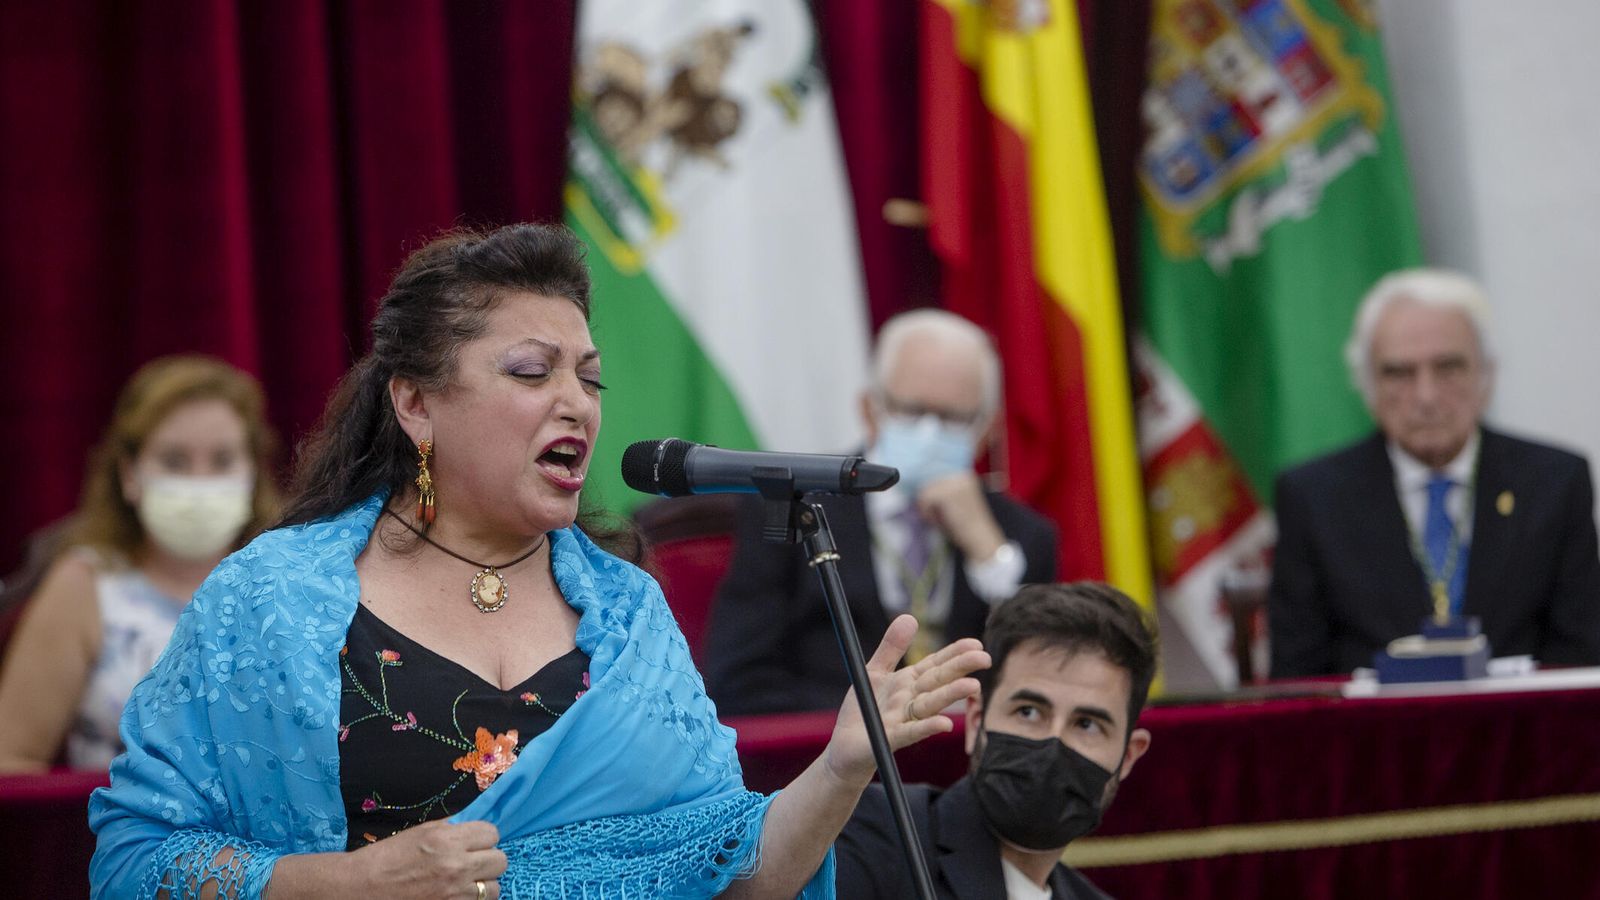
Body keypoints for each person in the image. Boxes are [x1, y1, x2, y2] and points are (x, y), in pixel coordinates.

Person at [88, 223, 990, 900]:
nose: (578, 404)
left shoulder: (628, 615)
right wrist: (348, 884)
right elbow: (138, 860)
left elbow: (729, 878)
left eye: (589, 379)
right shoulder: (270, 598)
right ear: (415, 403)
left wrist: (838, 768)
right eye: (531, 372)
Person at [704, 309, 1058, 715]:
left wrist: (990, 557)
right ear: (870, 410)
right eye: (911, 411)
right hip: (831, 743)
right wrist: (871, 724)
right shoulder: (792, 503)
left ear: (987, 429)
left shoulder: (1023, 535)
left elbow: (1044, 684)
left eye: (954, 418)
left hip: (963, 747)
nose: (929, 433)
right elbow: (738, 680)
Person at [1269, 269, 1600, 678]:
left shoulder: (1555, 484)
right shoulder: (1313, 498)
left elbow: (1579, 660)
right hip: (1374, 719)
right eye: (1399, 373)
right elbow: (1298, 678)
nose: (1425, 396)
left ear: (1487, 376)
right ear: (1368, 387)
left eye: (1448, 368)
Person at [0, 355, 279, 772]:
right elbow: (10, 762)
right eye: (174, 461)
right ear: (129, 474)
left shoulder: (285, 584)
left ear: (252, 472)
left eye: (222, 460)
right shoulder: (84, 585)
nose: (200, 483)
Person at [835, 582, 1154, 899]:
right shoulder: (880, 829)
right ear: (976, 721)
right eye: (1028, 711)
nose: (1053, 745)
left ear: (1128, 757)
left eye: (1087, 724)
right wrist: (832, 775)